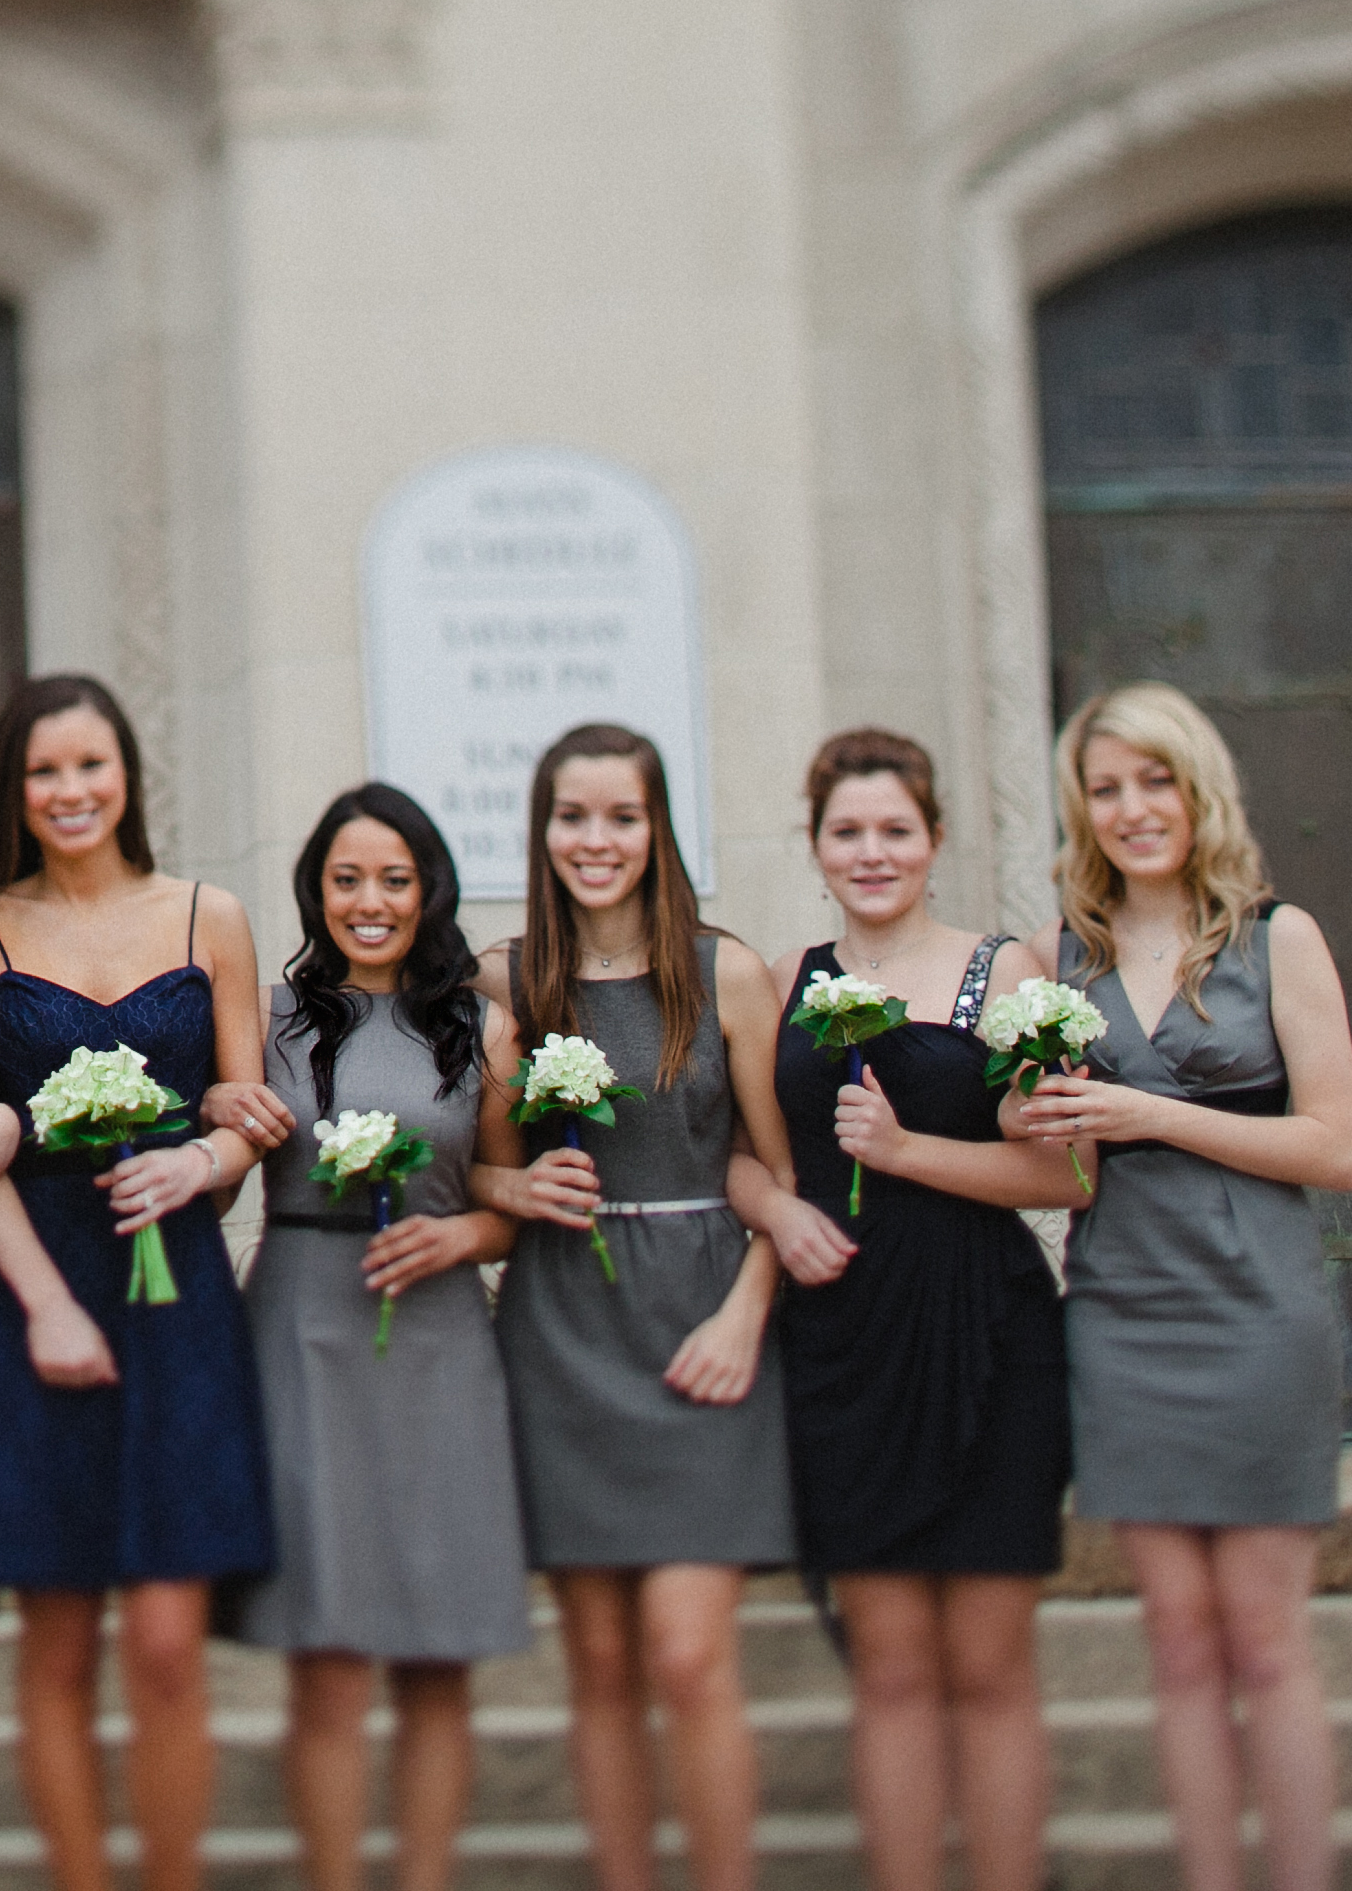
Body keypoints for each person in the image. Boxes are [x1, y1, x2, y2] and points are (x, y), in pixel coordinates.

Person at [0, 674, 275, 1891]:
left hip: (178, 1293)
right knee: (59, 1642)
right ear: (12, 793)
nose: (70, 792)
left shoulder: (209, 918)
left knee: (172, 1647)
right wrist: (48, 1305)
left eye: (90, 766)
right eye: (44, 773)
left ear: (127, 772)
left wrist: (202, 1158)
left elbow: (250, 1122)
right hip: (40, 1299)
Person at [1013, 684, 1351, 1891]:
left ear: (1196, 788)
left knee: (1267, 1644)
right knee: (1175, 1642)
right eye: (1107, 789)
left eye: (1153, 781)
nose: (1132, 809)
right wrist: (1029, 1112)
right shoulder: (1066, 957)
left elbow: (1336, 1147)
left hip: (1257, 1312)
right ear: (1081, 809)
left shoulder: (1280, 937)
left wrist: (1153, 1109)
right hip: (1121, 1314)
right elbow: (1057, 1162)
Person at [727, 729, 1075, 1891]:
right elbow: (743, 1158)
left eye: (895, 831)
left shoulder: (1008, 971)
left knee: (987, 1663)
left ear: (933, 839)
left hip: (988, 1331)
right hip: (842, 1335)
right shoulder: (784, 980)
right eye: (847, 832)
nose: (872, 853)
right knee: (887, 1664)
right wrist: (778, 1218)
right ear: (816, 846)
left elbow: (1062, 1177)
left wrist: (909, 1149)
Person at [474, 724, 790, 1891]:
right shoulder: (506, 980)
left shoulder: (726, 973)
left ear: (658, 830)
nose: (595, 841)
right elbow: (478, 1168)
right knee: (600, 1664)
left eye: (621, 816)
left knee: (690, 1655)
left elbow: (781, 1170)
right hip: (562, 1322)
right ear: (542, 830)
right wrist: (513, 1181)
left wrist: (748, 1313)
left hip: (703, 1315)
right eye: (573, 817)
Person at [229, 783, 529, 1891]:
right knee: (330, 1658)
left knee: (438, 1657)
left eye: (394, 880)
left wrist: (462, 1242)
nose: (371, 901)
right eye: (347, 879)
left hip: (442, 1339)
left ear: (429, 890)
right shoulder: (272, 1018)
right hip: (304, 1320)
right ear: (317, 888)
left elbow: (512, 1198)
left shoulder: (483, 1025)